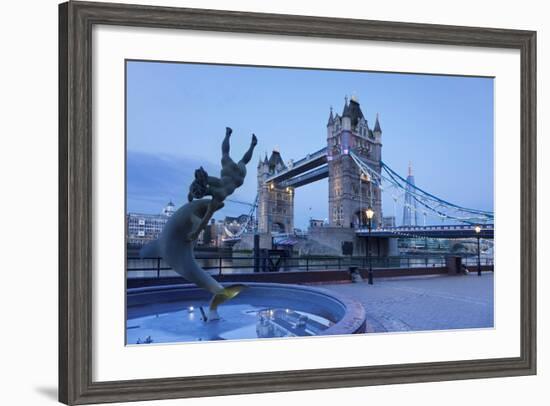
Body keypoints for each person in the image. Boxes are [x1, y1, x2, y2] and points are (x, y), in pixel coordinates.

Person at [186, 127, 257, 240]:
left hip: (238, 179)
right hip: (229, 172)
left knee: (242, 161)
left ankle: (252, 144)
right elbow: (201, 179)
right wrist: (190, 194)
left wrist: (195, 233)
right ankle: (229, 135)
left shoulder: (217, 197)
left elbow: (205, 219)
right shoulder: (211, 181)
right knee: (226, 154)